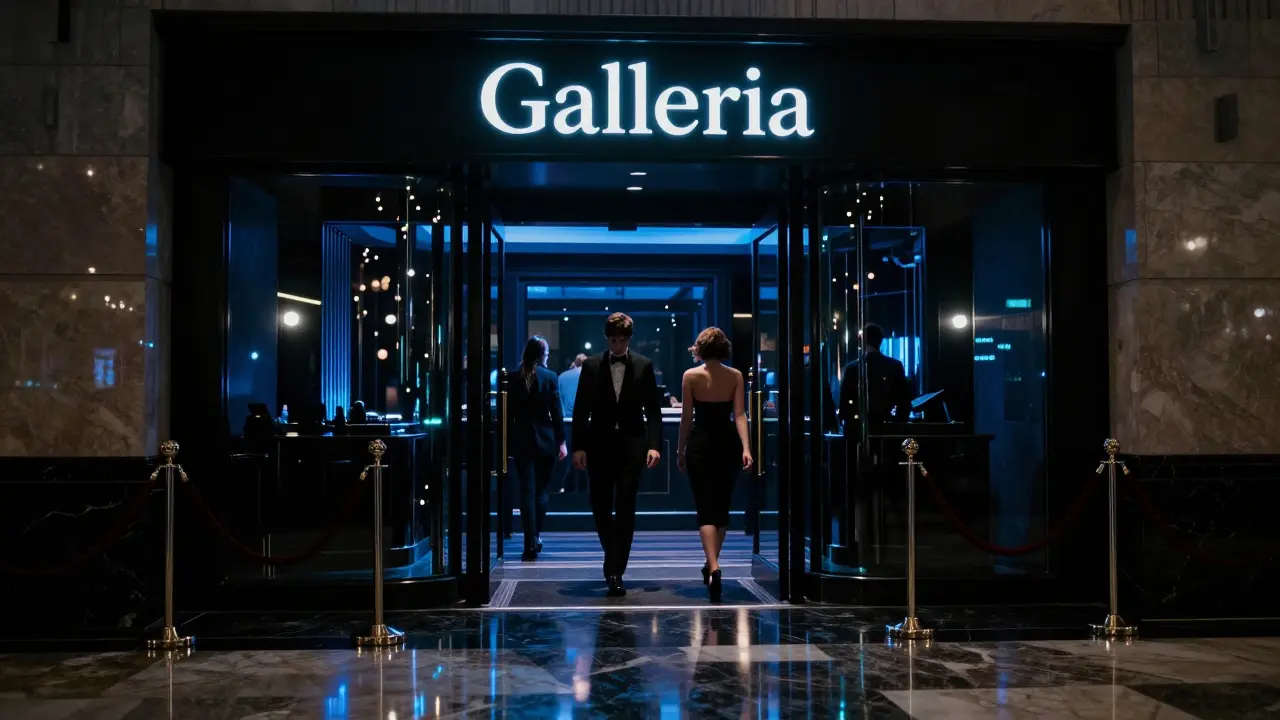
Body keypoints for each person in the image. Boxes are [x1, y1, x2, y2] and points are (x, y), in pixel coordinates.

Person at [571, 312, 663, 597]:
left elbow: (653, 410)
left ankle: (615, 571)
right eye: (614, 340)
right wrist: (578, 446)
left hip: (632, 446)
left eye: (623, 340)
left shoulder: (643, 365)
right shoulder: (592, 366)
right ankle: (613, 558)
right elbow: (581, 409)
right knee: (599, 506)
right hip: (598, 446)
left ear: (629, 339)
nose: (618, 346)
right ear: (606, 338)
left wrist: (655, 445)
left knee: (625, 508)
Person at [676, 327, 752, 602]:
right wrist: (746, 448)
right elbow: (740, 415)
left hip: (700, 444)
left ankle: (714, 567)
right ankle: (712, 565)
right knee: (721, 508)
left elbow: (686, 418)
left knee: (704, 509)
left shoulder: (691, 376)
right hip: (728, 444)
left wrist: (679, 449)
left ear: (701, 348)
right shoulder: (735, 376)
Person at [509, 336, 567, 561]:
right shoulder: (550, 377)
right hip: (545, 441)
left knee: (526, 491)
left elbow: (510, 414)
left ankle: (528, 542)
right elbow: (557, 413)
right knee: (542, 491)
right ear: (543, 355)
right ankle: (536, 536)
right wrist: (562, 441)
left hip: (522, 441)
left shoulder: (514, 377)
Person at [838, 323, 912, 433]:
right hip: (885, 426)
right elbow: (904, 401)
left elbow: (845, 401)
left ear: (862, 341)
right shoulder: (895, 365)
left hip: (857, 428)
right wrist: (899, 424)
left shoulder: (852, 368)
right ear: (880, 340)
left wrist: (845, 420)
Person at [558, 353, 587, 418]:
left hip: (566, 417)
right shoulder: (589, 376)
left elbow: (558, 399)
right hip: (584, 417)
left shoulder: (561, 376)